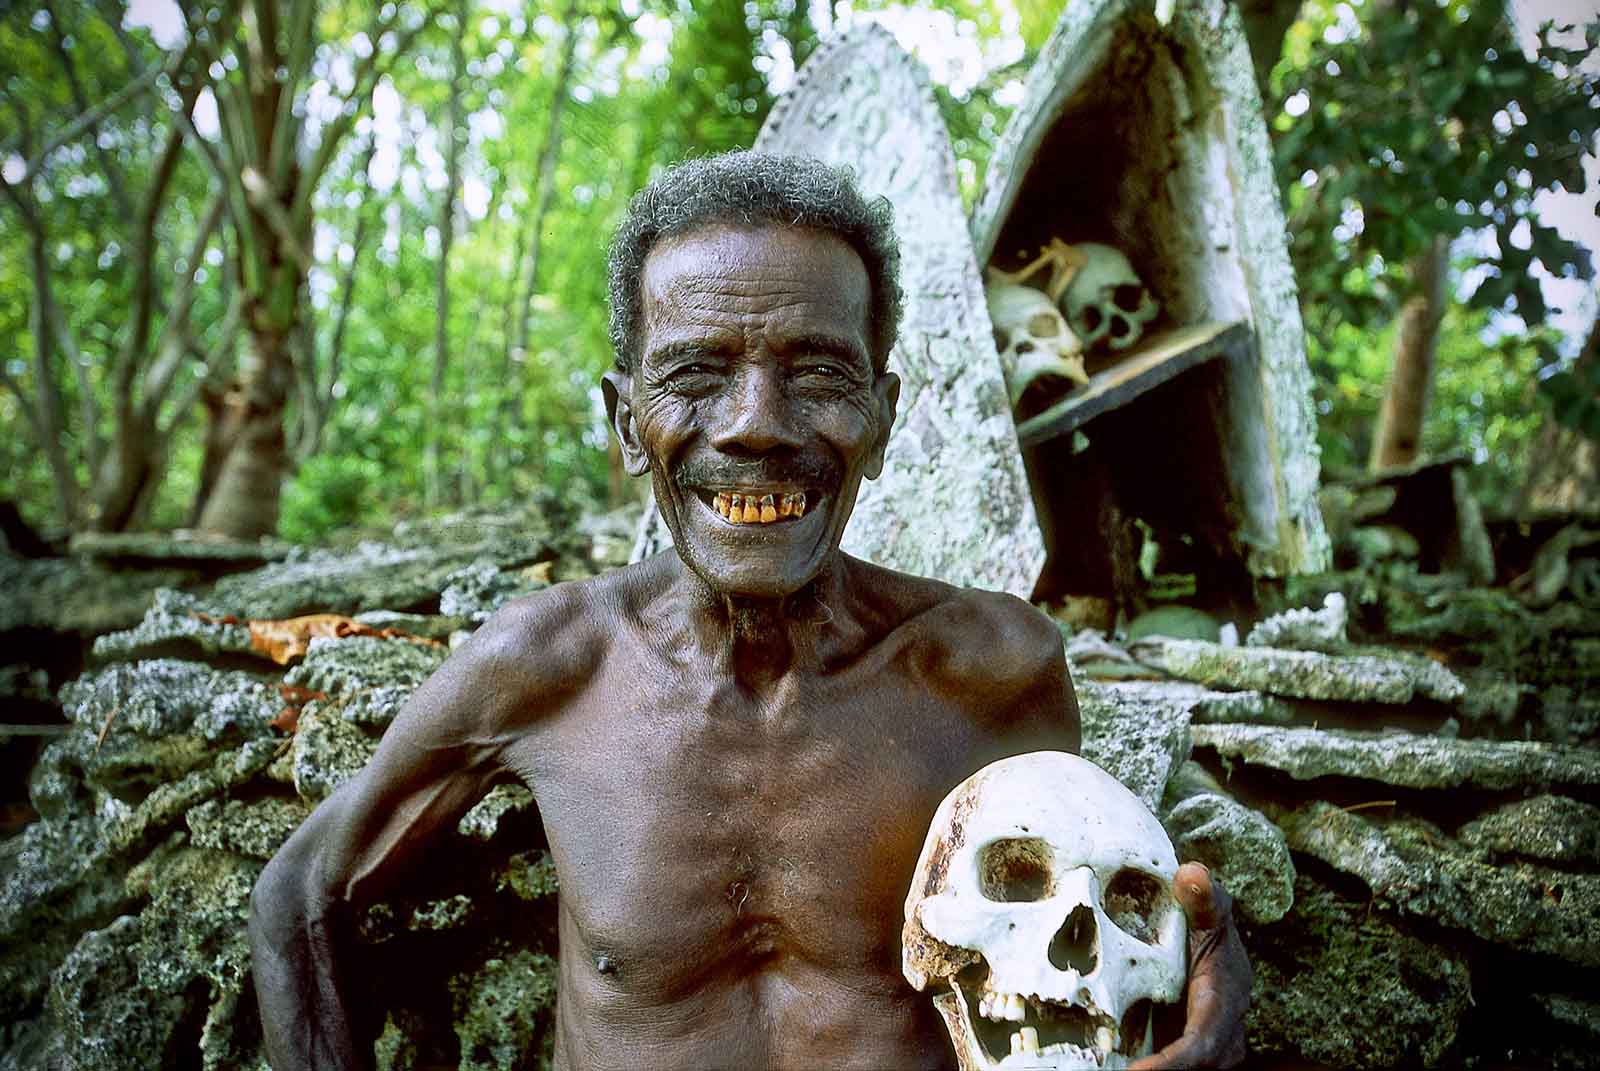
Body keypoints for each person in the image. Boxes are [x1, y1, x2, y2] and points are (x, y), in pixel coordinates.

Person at [249, 151, 1250, 1070]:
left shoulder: (993, 669)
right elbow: (300, 892)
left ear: (882, 417)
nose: (755, 426)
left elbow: (1108, 919)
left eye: (817, 375)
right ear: (625, 422)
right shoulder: (552, 663)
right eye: (694, 373)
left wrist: (1214, 985)